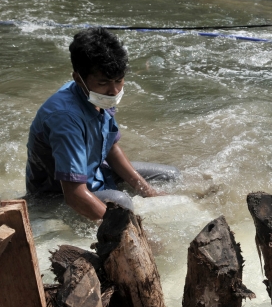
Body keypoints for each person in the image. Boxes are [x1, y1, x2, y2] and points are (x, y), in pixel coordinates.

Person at [26, 27, 179, 220]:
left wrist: (148, 191)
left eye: (119, 80)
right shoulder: (65, 118)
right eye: (104, 82)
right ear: (78, 79)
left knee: (171, 175)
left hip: (97, 172)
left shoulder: (99, 97)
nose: (114, 91)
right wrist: (132, 234)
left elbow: (111, 148)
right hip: (58, 196)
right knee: (122, 203)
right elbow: (74, 195)